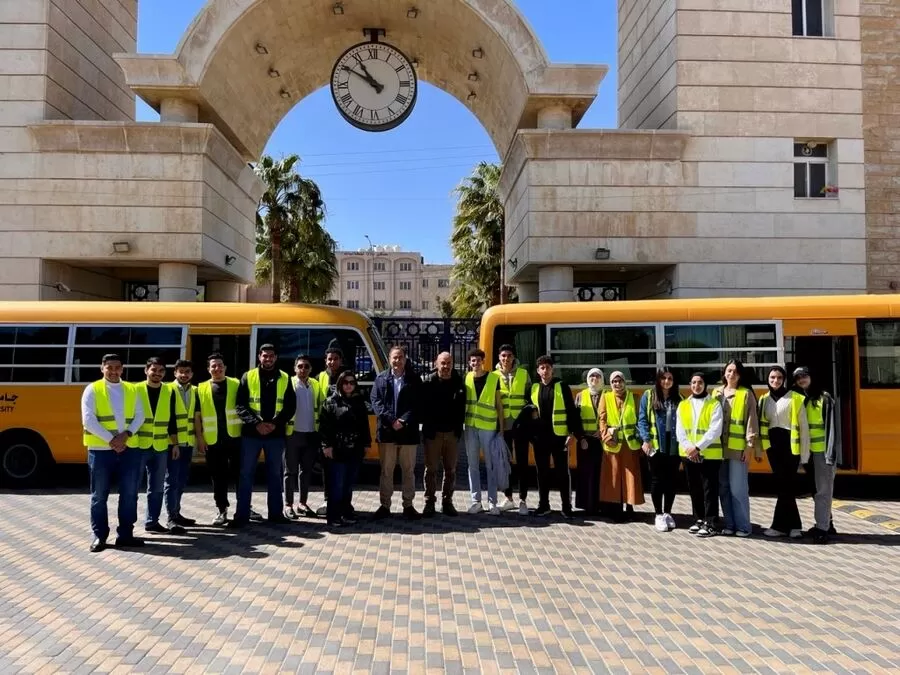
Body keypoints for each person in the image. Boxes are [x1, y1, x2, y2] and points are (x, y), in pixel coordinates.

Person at [81, 353, 146, 552]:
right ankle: (99, 536)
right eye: (109, 367)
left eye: (117, 367)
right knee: (99, 495)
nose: (113, 371)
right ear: (102, 368)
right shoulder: (92, 389)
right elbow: (88, 420)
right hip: (101, 451)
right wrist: (112, 440)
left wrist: (126, 435)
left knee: (129, 494)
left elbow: (140, 415)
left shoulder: (131, 389)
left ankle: (125, 535)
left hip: (128, 449)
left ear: (122, 368)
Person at [232, 343, 297, 527]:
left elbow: (290, 407)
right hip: (251, 434)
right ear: (259, 357)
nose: (267, 359)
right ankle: (242, 515)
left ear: (276, 357)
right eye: (264, 355)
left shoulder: (285, 378)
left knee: (275, 474)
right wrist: (257, 424)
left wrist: (273, 424)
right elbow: (240, 405)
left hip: (275, 435)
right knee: (245, 474)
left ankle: (275, 514)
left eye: (271, 356)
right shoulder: (248, 376)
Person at [370, 345, 423, 520]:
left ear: (405, 359)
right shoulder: (381, 379)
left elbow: (417, 404)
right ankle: (385, 505)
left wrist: (403, 420)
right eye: (394, 357)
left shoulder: (414, 380)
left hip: (407, 433)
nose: (397, 361)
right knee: (386, 470)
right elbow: (376, 402)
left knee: (408, 470)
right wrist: (391, 420)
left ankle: (408, 505)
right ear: (389, 360)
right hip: (387, 432)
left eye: (400, 357)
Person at [759, 365, 810, 539]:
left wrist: (804, 455)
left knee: (786, 486)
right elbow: (761, 427)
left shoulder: (795, 398)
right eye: (772, 377)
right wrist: (760, 450)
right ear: (768, 379)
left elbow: (803, 428)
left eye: (779, 378)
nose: (775, 381)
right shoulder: (764, 399)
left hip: (791, 448)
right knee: (784, 487)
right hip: (773, 448)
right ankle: (793, 527)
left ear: (784, 379)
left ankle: (781, 526)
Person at [195, 353, 246, 526]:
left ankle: (244, 508)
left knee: (241, 475)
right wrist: (199, 438)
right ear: (208, 369)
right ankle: (221, 509)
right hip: (213, 441)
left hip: (235, 438)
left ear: (225, 367)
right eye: (213, 366)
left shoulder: (237, 383)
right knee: (218, 477)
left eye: (220, 365)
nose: (217, 369)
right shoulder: (200, 388)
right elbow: (197, 415)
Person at [711, 360, 761, 538]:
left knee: (738, 489)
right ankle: (730, 524)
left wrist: (749, 446)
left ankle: (744, 526)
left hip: (738, 450)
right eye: (728, 371)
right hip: (718, 449)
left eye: (735, 372)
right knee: (723, 488)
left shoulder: (746, 394)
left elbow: (751, 421)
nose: (731, 374)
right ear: (724, 373)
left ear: (740, 375)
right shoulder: (716, 393)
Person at [134, 357, 182, 535]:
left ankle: (152, 522)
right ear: (146, 370)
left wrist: (174, 444)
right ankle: (128, 526)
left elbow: (172, 420)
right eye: (153, 370)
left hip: (161, 447)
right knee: (132, 487)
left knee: (156, 488)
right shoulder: (135, 389)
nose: (157, 374)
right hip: (138, 446)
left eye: (161, 371)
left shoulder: (169, 391)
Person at [792, 366, 841, 544]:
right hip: (808, 453)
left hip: (822, 453)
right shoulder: (802, 399)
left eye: (804, 376)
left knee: (823, 491)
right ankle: (828, 522)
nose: (801, 380)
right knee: (816, 490)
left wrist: (830, 454)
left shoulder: (824, 398)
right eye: (798, 378)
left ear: (811, 377)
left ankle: (822, 529)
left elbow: (832, 429)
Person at [530, 355, 583, 518]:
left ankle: (566, 507)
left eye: (548, 367)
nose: (545, 371)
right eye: (542, 368)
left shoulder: (562, 386)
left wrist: (574, 434)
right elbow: (529, 413)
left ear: (552, 369)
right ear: (538, 371)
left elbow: (572, 411)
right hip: (540, 438)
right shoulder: (533, 388)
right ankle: (543, 505)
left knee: (562, 473)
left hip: (559, 437)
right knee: (542, 472)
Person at [319, 370, 371, 527]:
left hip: (354, 449)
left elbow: (364, 426)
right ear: (340, 384)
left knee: (348, 484)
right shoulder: (330, 402)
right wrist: (326, 446)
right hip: (337, 449)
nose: (349, 385)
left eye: (352, 382)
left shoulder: (359, 402)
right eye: (345, 382)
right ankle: (333, 516)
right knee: (337, 484)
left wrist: (366, 444)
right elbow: (324, 428)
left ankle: (346, 513)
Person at [676, 372, 724, 537]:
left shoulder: (714, 404)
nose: (697, 386)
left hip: (709, 454)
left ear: (706, 385)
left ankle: (711, 523)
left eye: (700, 382)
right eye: (694, 382)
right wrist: (690, 448)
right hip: (689, 454)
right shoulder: (683, 405)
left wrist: (698, 447)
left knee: (709, 489)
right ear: (690, 384)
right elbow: (680, 430)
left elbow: (715, 430)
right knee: (694, 488)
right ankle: (699, 519)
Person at [637, 367, 683, 532]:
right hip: (655, 446)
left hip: (674, 447)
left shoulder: (679, 398)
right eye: (663, 378)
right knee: (657, 480)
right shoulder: (648, 396)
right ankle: (658, 514)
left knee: (671, 481)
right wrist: (646, 439)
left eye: (670, 378)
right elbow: (642, 420)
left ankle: (668, 513)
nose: (666, 381)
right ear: (658, 380)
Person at [421, 351, 466, 517]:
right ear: (436, 363)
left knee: (451, 470)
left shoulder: (459, 382)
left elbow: (462, 407)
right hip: (433, 434)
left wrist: (458, 429)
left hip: (452, 434)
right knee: (431, 469)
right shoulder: (427, 383)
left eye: (448, 363)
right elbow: (422, 408)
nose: (446, 366)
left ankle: (447, 502)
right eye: (442, 363)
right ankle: (429, 502)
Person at [463, 348, 506, 515]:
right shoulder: (466, 378)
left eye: (478, 360)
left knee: (491, 465)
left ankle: (492, 502)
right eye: (472, 361)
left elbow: (498, 405)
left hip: (488, 427)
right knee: (472, 465)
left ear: (483, 361)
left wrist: (501, 429)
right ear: (469, 363)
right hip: (471, 426)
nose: (475, 363)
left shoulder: (493, 378)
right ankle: (476, 501)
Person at [598, 371, 645, 521]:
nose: (617, 384)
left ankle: (629, 506)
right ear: (610, 384)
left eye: (620, 381)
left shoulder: (634, 397)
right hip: (612, 443)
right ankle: (616, 508)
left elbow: (640, 420)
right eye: (614, 382)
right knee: (614, 476)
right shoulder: (605, 397)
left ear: (625, 382)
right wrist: (605, 436)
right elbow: (602, 419)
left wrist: (642, 440)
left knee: (630, 476)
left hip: (630, 444)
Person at [284, 354, 323, 519]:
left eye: (306, 366)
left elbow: (322, 405)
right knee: (290, 471)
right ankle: (288, 505)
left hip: (311, 434)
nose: (303, 369)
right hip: (293, 434)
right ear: (294, 368)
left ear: (311, 369)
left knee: (306, 471)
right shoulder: (289, 383)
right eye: (300, 366)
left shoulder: (315, 384)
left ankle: (302, 503)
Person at [496, 344, 532, 514]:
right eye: (503, 356)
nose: (506, 359)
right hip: (504, 427)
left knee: (523, 462)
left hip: (521, 426)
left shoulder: (524, 374)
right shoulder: (493, 376)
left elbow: (530, 398)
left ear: (513, 357)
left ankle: (523, 499)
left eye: (509, 355)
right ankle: (508, 497)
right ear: (499, 357)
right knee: (505, 463)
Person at [165, 359, 197, 529]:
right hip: (173, 444)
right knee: (171, 480)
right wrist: (174, 443)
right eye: (181, 372)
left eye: (187, 372)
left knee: (182, 479)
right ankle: (171, 517)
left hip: (187, 443)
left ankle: (177, 512)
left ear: (192, 374)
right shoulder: (168, 389)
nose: (184, 375)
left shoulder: (195, 391)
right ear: (175, 373)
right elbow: (169, 418)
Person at [314, 346, 344, 515]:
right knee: (327, 468)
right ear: (325, 361)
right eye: (329, 359)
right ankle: (327, 500)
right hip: (325, 430)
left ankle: (343, 502)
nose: (332, 362)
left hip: (343, 432)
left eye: (335, 359)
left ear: (340, 361)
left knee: (343, 469)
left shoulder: (346, 377)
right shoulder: (319, 377)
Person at [574, 368, 604, 515]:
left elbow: (612, 416)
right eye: (592, 376)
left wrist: (604, 431)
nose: (594, 378)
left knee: (601, 473)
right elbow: (575, 420)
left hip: (602, 440)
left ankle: (600, 504)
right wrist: (580, 438)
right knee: (585, 473)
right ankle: (586, 505)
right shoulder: (580, 396)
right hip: (585, 441)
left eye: (598, 376)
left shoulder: (607, 395)